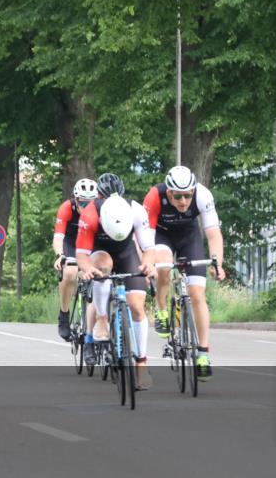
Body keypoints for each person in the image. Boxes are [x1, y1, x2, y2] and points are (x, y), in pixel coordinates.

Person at [141, 165, 225, 381]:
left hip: (189, 237)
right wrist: (148, 264)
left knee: (197, 295)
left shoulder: (203, 195)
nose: (183, 201)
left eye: (187, 196)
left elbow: (213, 234)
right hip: (161, 237)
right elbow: (146, 238)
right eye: (177, 196)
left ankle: (203, 354)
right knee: (165, 266)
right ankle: (161, 308)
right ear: (169, 192)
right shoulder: (154, 196)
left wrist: (218, 264)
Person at [75, 173, 157, 389]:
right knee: (101, 268)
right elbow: (82, 254)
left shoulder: (136, 210)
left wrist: (148, 265)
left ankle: (141, 362)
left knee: (137, 307)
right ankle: (102, 319)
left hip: (127, 252)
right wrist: (87, 268)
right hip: (100, 251)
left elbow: (149, 249)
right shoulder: (90, 214)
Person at [53, 178, 98, 340]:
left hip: (91, 244)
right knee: (70, 272)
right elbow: (58, 236)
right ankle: (64, 314)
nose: (86, 208)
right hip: (71, 243)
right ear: (76, 199)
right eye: (82, 204)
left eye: (90, 204)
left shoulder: (100, 209)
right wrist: (60, 255)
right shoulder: (67, 208)